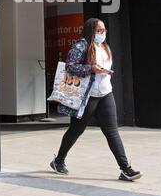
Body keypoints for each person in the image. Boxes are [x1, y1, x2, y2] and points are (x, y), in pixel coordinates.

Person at [50, 18, 142, 182]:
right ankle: (59, 161)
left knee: (112, 132)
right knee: (76, 130)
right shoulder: (82, 46)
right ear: (91, 30)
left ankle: (125, 169)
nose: (103, 33)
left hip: (106, 93)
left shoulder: (105, 47)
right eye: (99, 30)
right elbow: (70, 66)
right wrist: (90, 68)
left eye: (104, 30)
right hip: (88, 96)